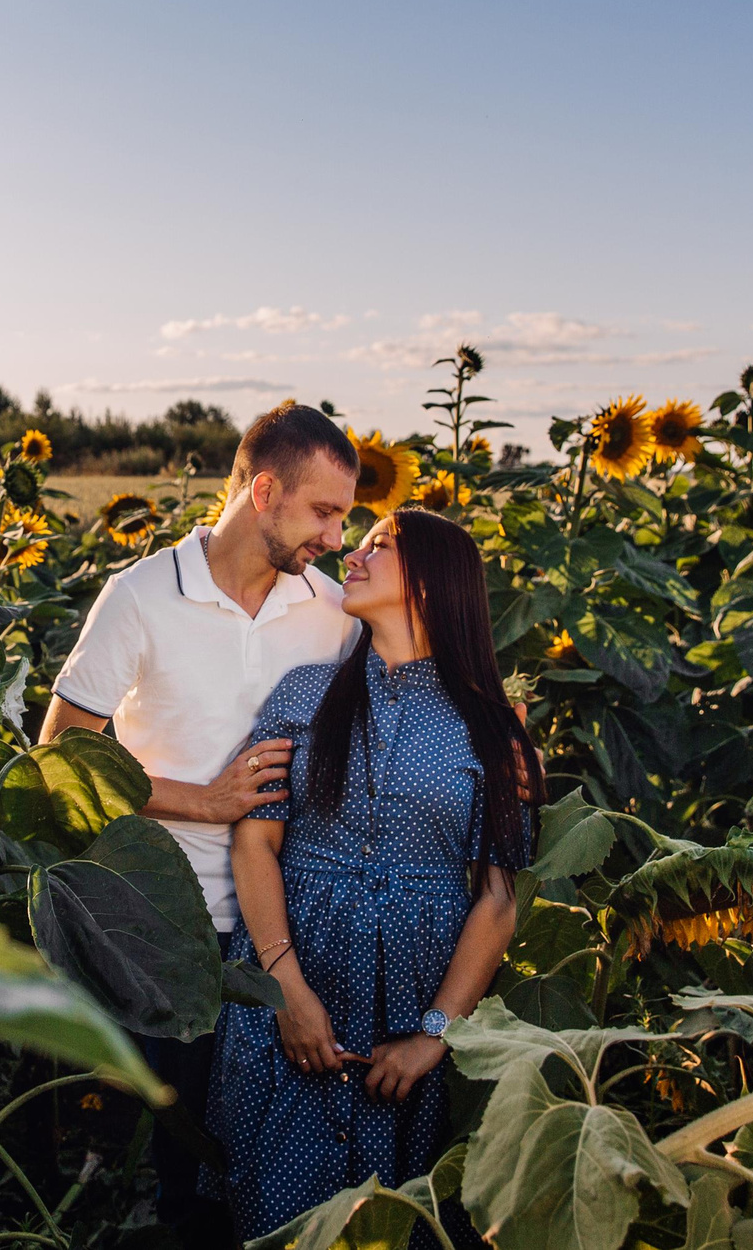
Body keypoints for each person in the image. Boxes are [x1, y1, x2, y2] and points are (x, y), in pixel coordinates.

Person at [40, 402, 361, 1235]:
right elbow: (62, 751)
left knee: (257, 1167)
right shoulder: (142, 594)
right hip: (161, 927)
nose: (335, 536)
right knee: (172, 1162)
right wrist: (203, 800)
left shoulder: (329, 613)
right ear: (264, 491)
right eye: (324, 512)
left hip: (281, 933)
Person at [207, 508, 545, 1242]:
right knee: (277, 1217)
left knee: (400, 1220)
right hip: (295, 971)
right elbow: (255, 846)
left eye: (379, 546)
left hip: (416, 994)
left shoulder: (491, 729)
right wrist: (286, 990)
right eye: (356, 544)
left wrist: (434, 1035)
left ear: (435, 581)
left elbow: (495, 898)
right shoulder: (304, 694)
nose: (352, 557)